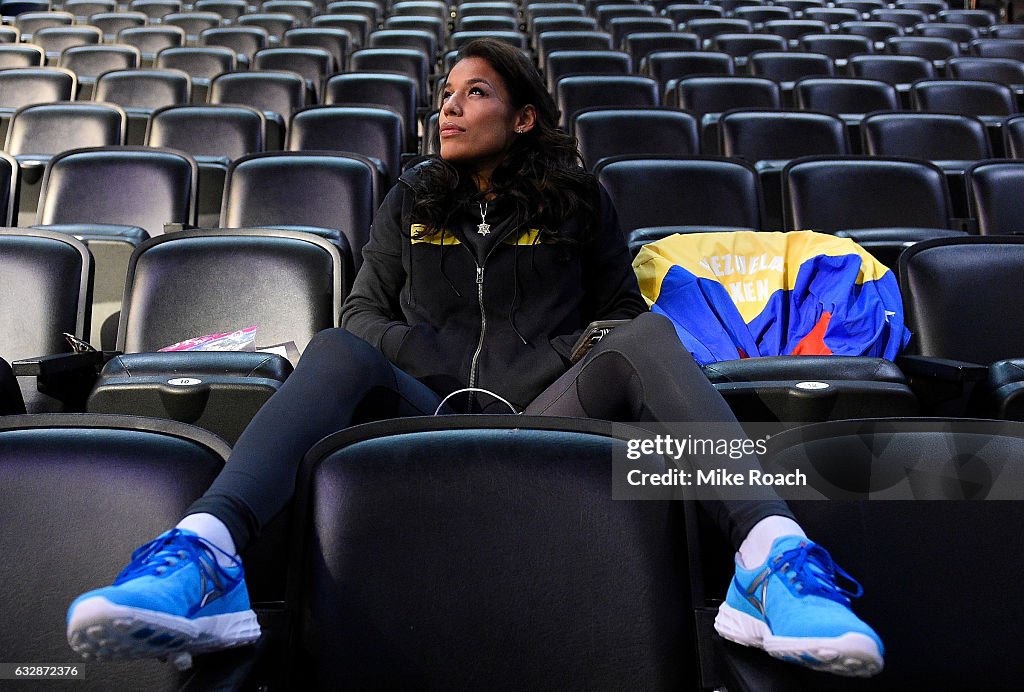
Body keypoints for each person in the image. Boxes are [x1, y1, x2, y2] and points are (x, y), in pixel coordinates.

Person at [66, 38, 883, 678]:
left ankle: (774, 560)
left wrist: (564, 351)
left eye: (476, 93)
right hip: (422, 411)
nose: (450, 109)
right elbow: (363, 315)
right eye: (446, 96)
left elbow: (621, 312)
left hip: (561, 414)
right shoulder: (412, 198)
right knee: (337, 348)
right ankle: (204, 554)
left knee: (647, 339)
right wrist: (433, 357)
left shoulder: (579, 200)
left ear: (524, 116)